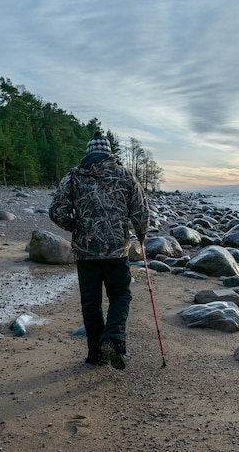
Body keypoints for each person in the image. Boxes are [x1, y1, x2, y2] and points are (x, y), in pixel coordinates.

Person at [49, 131, 150, 369]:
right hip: (116, 249)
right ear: (108, 152)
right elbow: (140, 211)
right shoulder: (125, 175)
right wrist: (142, 235)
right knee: (120, 295)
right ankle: (113, 339)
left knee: (90, 302)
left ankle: (96, 354)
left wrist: (75, 226)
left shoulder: (73, 177)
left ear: (88, 152)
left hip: (86, 251)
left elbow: (56, 212)